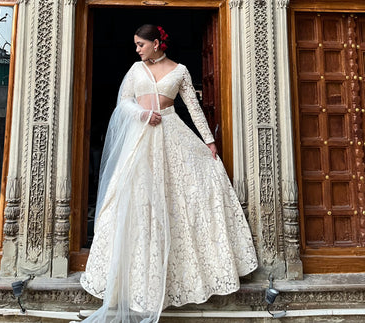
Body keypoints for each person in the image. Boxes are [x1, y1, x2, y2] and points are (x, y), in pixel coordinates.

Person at [79, 24, 257, 323]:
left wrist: (209, 142)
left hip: (172, 132)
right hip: (140, 137)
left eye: (141, 44)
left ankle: (185, 276)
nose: (137, 50)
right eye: (136, 45)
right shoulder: (135, 70)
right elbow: (123, 103)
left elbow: (194, 108)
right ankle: (130, 280)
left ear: (157, 43)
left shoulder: (181, 71)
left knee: (180, 199)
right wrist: (142, 114)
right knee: (133, 201)